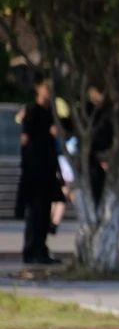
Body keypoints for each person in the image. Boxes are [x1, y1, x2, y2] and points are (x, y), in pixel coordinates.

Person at [15, 72, 64, 265]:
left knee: (44, 212)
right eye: (45, 87)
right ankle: (31, 251)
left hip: (48, 168)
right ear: (38, 88)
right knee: (34, 212)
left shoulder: (51, 113)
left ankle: (41, 250)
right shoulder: (32, 111)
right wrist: (28, 166)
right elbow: (25, 139)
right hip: (35, 170)